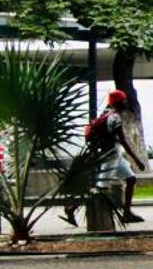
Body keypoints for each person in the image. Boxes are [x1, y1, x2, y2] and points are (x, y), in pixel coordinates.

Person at [63, 89, 148, 225]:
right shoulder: (115, 118)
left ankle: (127, 212)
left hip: (115, 155)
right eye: (123, 101)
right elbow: (123, 140)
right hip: (110, 157)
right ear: (118, 102)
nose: (125, 103)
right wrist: (137, 160)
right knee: (99, 190)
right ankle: (71, 208)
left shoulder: (106, 114)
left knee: (131, 178)